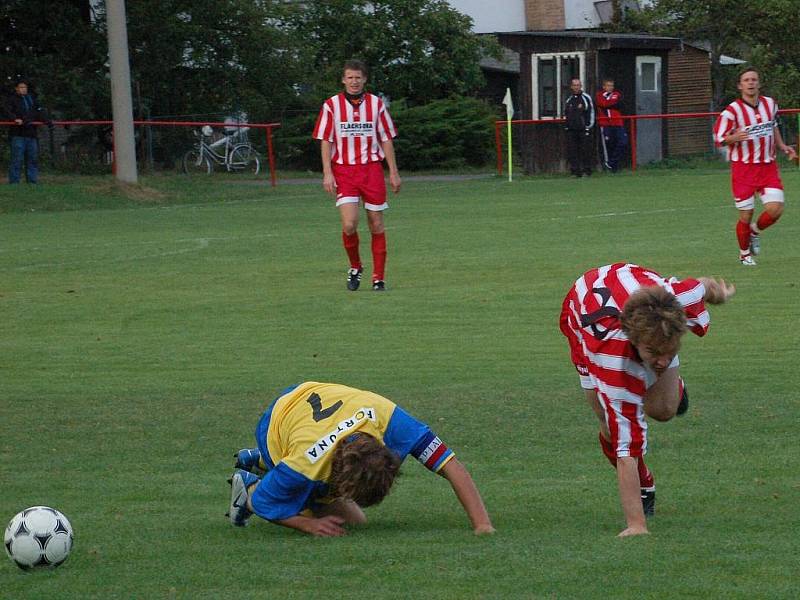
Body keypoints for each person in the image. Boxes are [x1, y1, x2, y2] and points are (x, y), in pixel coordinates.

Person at [559, 263, 735, 537]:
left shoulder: (675, 303)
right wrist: (636, 526)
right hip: (582, 317)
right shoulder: (612, 362)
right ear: (633, 338)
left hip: (635, 288)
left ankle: (667, 384)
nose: (663, 360)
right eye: (653, 352)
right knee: (609, 425)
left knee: (664, 410)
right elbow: (625, 451)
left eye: (670, 350)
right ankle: (645, 485)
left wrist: (719, 293)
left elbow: (701, 286)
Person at [227, 381, 495, 537]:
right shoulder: (305, 466)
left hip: (315, 406)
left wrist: (482, 524)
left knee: (354, 522)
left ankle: (258, 461)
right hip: (277, 422)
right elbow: (264, 504)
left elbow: (450, 465)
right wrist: (307, 524)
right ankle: (249, 482)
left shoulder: (390, 420)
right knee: (326, 511)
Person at [312, 59, 401, 292]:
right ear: (343, 79)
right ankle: (355, 266)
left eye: (358, 77)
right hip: (344, 171)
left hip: (371, 169)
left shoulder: (376, 104)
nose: (354, 81)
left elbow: (386, 139)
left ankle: (378, 278)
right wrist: (327, 172)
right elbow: (325, 140)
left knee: (376, 223)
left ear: (364, 80)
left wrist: (393, 172)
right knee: (350, 224)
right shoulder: (331, 105)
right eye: (349, 77)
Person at [713, 68, 797, 266]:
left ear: (759, 84)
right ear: (740, 85)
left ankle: (754, 231)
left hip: (768, 166)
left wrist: (782, 145)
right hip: (743, 169)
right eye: (746, 80)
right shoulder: (732, 111)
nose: (751, 83)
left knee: (775, 210)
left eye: (754, 79)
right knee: (746, 213)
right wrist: (734, 137)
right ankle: (744, 255)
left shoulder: (770, 104)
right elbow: (718, 139)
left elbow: (772, 126)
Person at [6, 79, 52, 184]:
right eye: (21, 87)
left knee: (32, 159)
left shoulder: (32, 99)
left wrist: (47, 121)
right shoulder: (12, 100)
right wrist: (14, 119)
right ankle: (14, 182)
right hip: (18, 134)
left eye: (25, 87)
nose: (23, 89)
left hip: (31, 134)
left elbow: (39, 111)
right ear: (16, 88)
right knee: (17, 159)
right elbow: (7, 111)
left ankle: (32, 181)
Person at [563, 78, 595, 177]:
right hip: (572, 130)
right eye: (574, 85)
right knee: (573, 151)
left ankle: (587, 171)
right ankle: (575, 172)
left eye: (578, 85)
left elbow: (591, 112)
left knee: (585, 150)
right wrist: (567, 126)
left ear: (581, 86)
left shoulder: (586, 98)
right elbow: (566, 114)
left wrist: (588, 126)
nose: (576, 87)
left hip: (583, 129)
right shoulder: (569, 99)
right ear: (571, 87)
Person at [595, 78, 628, 173]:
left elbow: (619, 103)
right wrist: (611, 104)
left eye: (612, 86)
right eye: (608, 85)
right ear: (604, 87)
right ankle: (612, 168)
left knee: (623, 142)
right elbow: (603, 104)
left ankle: (611, 163)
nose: (610, 88)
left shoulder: (617, 94)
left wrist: (610, 104)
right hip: (606, 124)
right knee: (609, 145)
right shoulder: (599, 95)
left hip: (618, 123)